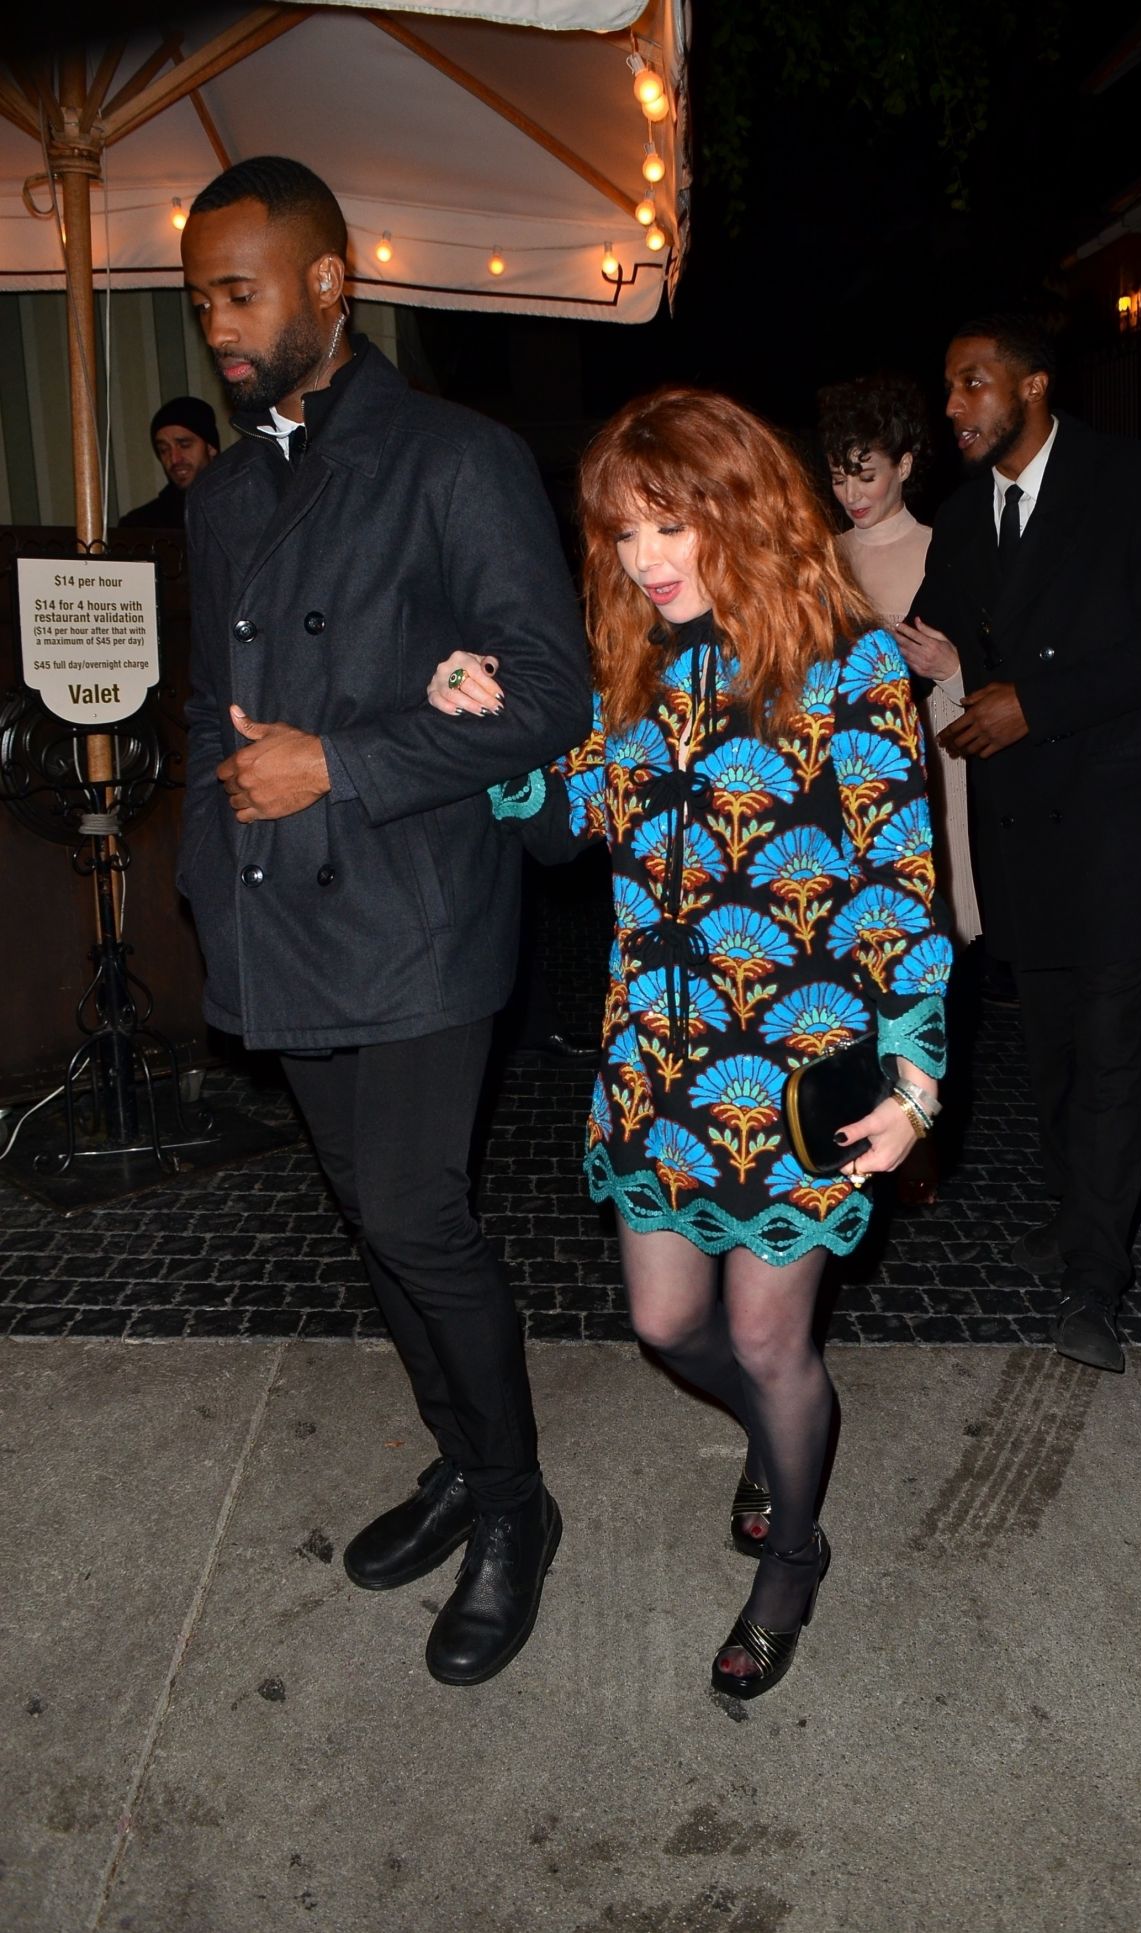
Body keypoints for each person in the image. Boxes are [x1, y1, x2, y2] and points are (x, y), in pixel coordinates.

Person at [429, 388, 950, 1699]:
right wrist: (497, 731)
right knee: (667, 1324)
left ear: (743, 509)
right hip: (655, 1072)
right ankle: (789, 1449)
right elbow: (568, 823)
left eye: (668, 525)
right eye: (619, 534)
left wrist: (916, 1080)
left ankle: (794, 1543)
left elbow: (900, 881)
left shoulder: (852, 662)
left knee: (774, 1343)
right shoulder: (641, 663)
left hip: (791, 1074)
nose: (643, 559)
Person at [177, 155, 591, 1685]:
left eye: (240, 288)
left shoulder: (454, 458)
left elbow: (550, 699)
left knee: (418, 1210)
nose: (216, 321)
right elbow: (219, 702)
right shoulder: (222, 490)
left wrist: (337, 764)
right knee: (369, 1218)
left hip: (413, 907)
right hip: (281, 909)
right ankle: (458, 1458)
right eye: (200, 295)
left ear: (330, 281)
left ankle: (514, 1504)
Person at [897, 315, 1141, 1375]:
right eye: (946, 389)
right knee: (1048, 1050)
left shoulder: (1133, 480)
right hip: (1019, 828)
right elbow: (932, 637)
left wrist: (1035, 701)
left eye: (968, 384)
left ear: (1031, 386)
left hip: (1116, 825)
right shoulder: (956, 517)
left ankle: (1095, 1277)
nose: (951, 408)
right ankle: (1077, 1210)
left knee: (1112, 1050)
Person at [819, 375, 980, 1204]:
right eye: (840, 475)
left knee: (923, 940)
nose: (852, 492)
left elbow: (978, 679)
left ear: (906, 465)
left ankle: (921, 1135)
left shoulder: (943, 549)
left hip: (927, 766)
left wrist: (948, 670)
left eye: (867, 472)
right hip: (838, 786)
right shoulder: (820, 559)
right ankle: (858, 1121)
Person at [119, 396, 221, 527]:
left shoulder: (241, 506)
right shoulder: (140, 526)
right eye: (164, 449)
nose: (174, 459)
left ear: (210, 447)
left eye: (184, 445)